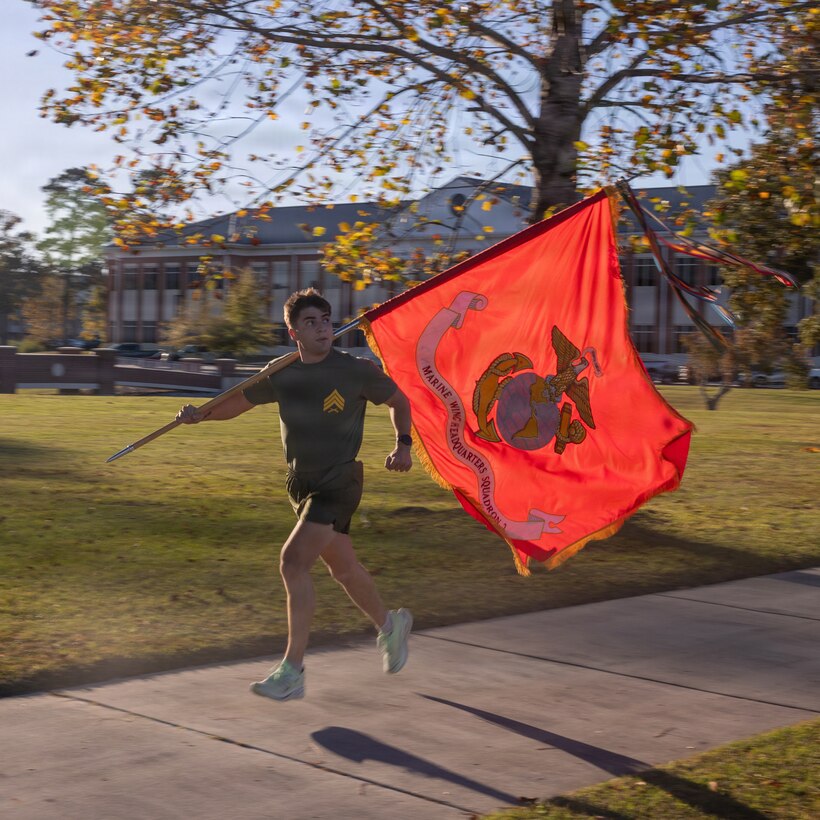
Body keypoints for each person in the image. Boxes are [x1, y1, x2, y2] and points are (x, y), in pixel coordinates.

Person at [176, 288, 414, 701]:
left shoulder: (354, 370)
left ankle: (293, 670)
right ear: (293, 333)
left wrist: (404, 444)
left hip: (339, 481)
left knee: (292, 563)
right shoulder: (282, 371)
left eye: (326, 319)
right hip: (300, 483)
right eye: (311, 322)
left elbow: (398, 400)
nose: (323, 328)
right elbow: (237, 403)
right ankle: (391, 627)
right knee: (343, 570)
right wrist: (201, 416)